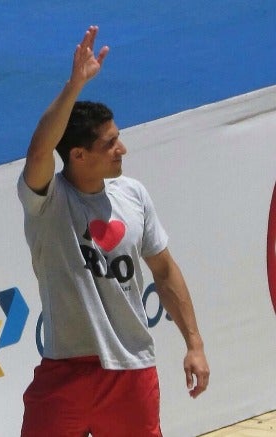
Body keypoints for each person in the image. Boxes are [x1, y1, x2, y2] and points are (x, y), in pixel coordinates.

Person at [17, 26, 210, 436]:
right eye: (111, 143)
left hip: (131, 370)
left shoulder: (133, 195)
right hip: (64, 369)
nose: (122, 149)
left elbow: (164, 270)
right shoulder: (48, 200)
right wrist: (74, 86)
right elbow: (38, 151)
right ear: (78, 154)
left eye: (118, 138)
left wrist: (194, 344)